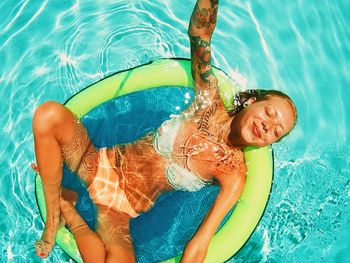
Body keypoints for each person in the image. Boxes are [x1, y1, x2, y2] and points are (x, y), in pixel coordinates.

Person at [32, 0, 297, 262]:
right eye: (269, 113)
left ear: (268, 144)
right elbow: (200, 34)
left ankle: (67, 206)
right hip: (96, 163)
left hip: (119, 209)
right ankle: (55, 216)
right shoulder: (208, 98)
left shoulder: (233, 175)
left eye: (276, 131)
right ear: (251, 101)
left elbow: (200, 241)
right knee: (49, 115)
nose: (267, 125)